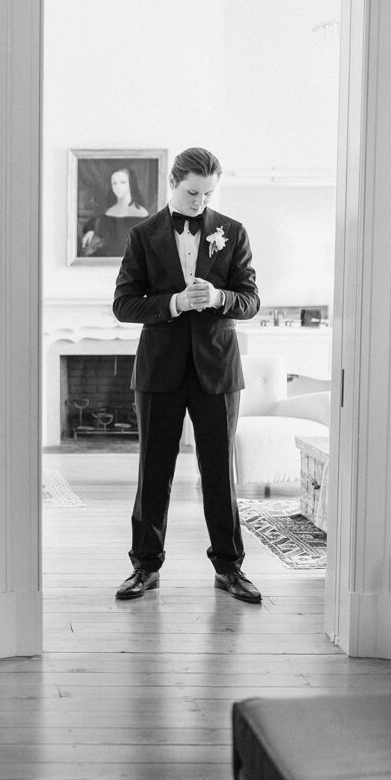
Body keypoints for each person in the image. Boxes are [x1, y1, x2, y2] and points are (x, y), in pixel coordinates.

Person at [112, 147, 262, 603]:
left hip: (216, 371)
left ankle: (230, 569)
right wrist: (173, 304)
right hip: (159, 372)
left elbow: (251, 300)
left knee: (219, 473)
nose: (199, 202)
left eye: (208, 193)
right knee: (153, 473)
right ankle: (144, 568)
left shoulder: (232, 232)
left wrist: (219, 297)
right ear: (173, 185)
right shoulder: (143, 235)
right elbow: (123, 305)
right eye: (192, 192)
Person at [79, 166, 150, 259]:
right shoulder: (108, 212)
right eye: (114, 183)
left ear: (131, 184)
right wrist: (90, 230)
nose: (118, 187)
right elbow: (96, 223)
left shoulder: (142, 213)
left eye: (123, 182)